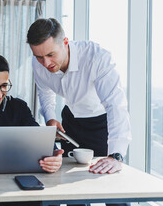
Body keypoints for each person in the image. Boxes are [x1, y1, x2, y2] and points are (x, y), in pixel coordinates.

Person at [27, 18, 132, 176]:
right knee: (69, 179)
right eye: (39, 57)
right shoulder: (38, 63)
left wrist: (116, 155)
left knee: (112, 183)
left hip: (101, 124)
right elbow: (45, 92)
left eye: (51, 54)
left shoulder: (97, 58)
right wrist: (50, 118)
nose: (46, 63)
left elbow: (115, 105)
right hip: (71, 123)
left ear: (65, 42)